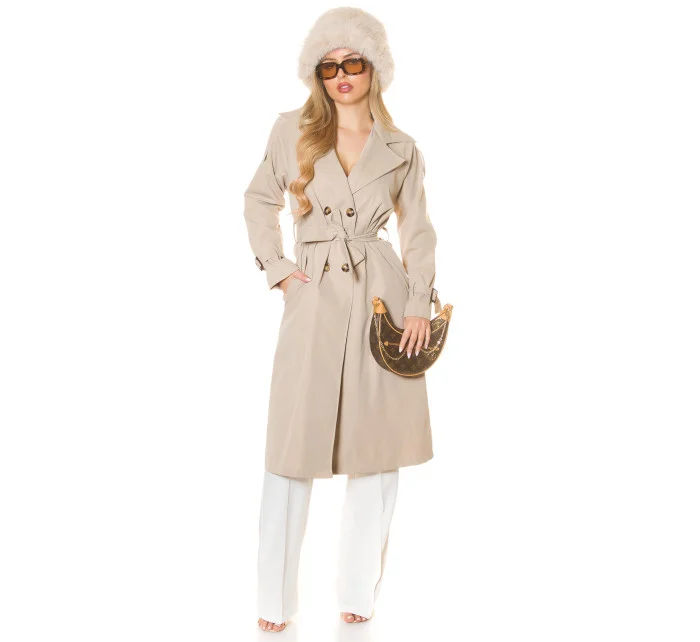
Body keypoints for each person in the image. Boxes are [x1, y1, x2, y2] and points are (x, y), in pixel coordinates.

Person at [243, 7, 441, 632]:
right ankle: (274, 601)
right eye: (328, 67)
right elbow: (259, 199)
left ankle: (358, 593)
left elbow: (418, 230)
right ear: (317, 75)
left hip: (383, 296)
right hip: (314, 292)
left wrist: (419, 301)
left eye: (353, 62)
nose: (341, 75)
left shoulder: (401, 149)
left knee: (376, 449)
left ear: (374, 67)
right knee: (292, 446)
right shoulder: (291, 130)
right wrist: (278, 268)